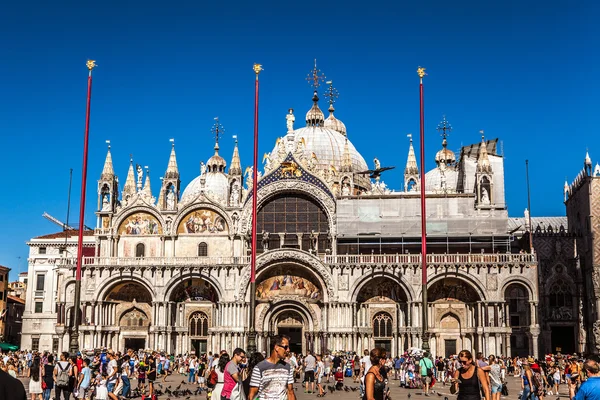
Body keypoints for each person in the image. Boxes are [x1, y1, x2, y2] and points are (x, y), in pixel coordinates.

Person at [249, 335, 296, 400]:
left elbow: (290, 392)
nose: (288, 350)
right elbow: (252, 394)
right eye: (286, 347)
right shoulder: (259, 368)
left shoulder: (288, 368)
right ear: (276, 347)